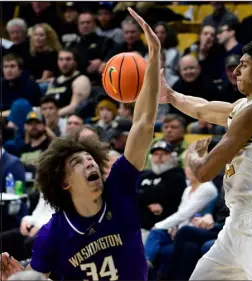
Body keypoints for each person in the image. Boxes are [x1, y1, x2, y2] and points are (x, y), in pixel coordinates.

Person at [1, 8, 161, 281]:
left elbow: (144, 124)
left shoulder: (118, 188)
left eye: (89, 158)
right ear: (64, 182)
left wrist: (155, 58)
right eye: (77, 162)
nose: (89, 161)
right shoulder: (53, 233)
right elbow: (37, 278)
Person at [160, 41, 252, 280]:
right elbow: (203, 109)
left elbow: (204, 172)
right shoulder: (246, 105)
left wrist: (192, 156)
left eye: (243, 66)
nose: (235, 72)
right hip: (237, 223)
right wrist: (171, 96)